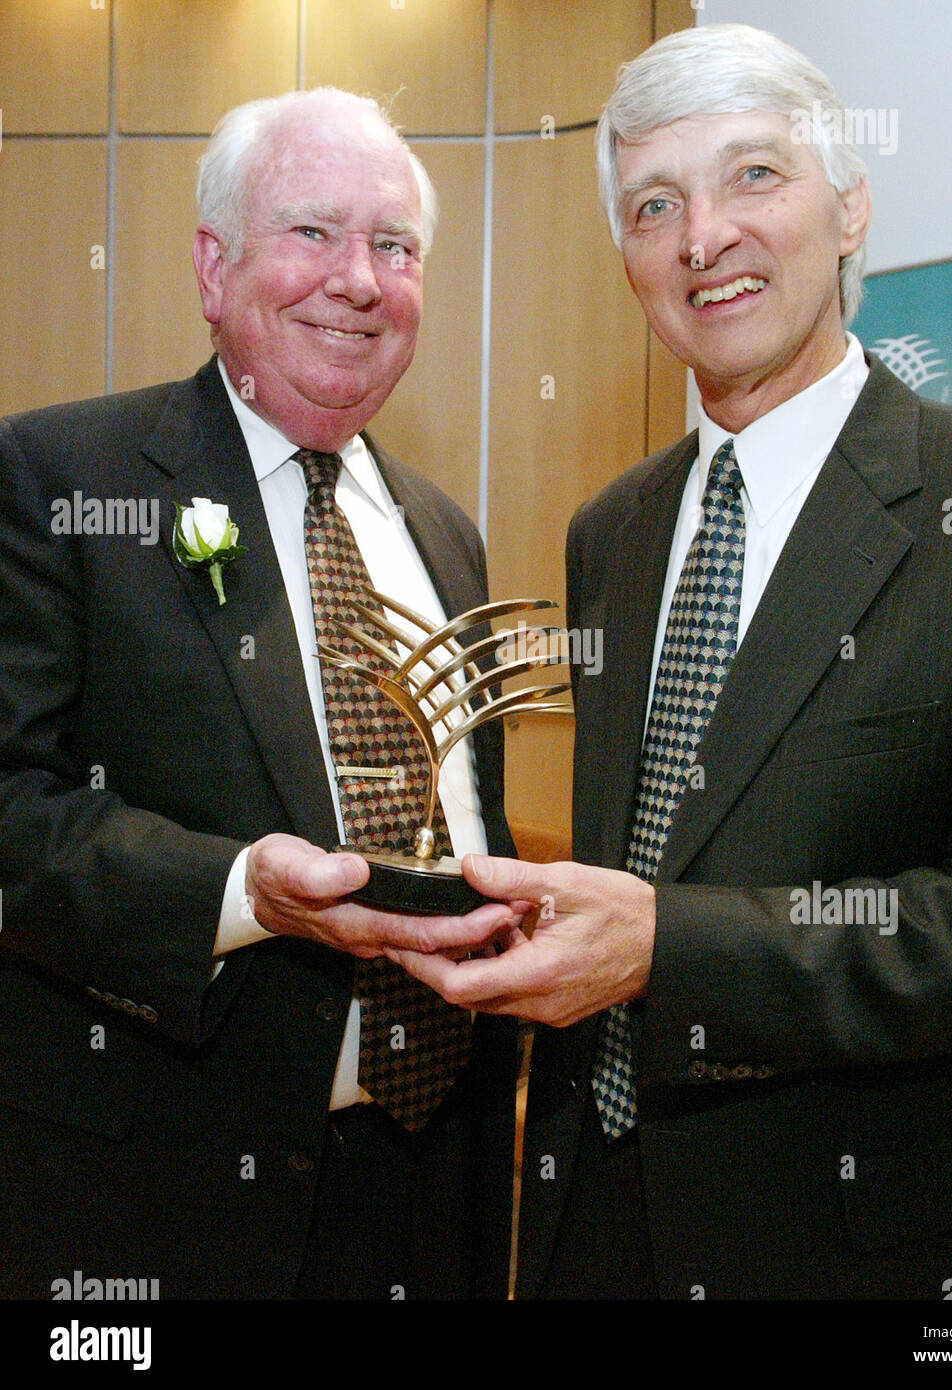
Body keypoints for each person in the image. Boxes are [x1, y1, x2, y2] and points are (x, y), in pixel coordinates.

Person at [389, 25, 952, 1299]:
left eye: (753, 176)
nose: (701, 235)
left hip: (860, 1242)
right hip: (588, 1216)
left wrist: (674, 949)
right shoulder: (612, 529)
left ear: (850, 208)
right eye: (656, 205)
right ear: (630, 260)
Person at [0, 87, 521, 1300]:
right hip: (162, 1202)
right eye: (311, 232)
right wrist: (245, 894)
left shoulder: (447, 536)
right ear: (212, 267)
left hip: (429, 1183)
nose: (357, 279)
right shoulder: (62, 479)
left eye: (394, 247)